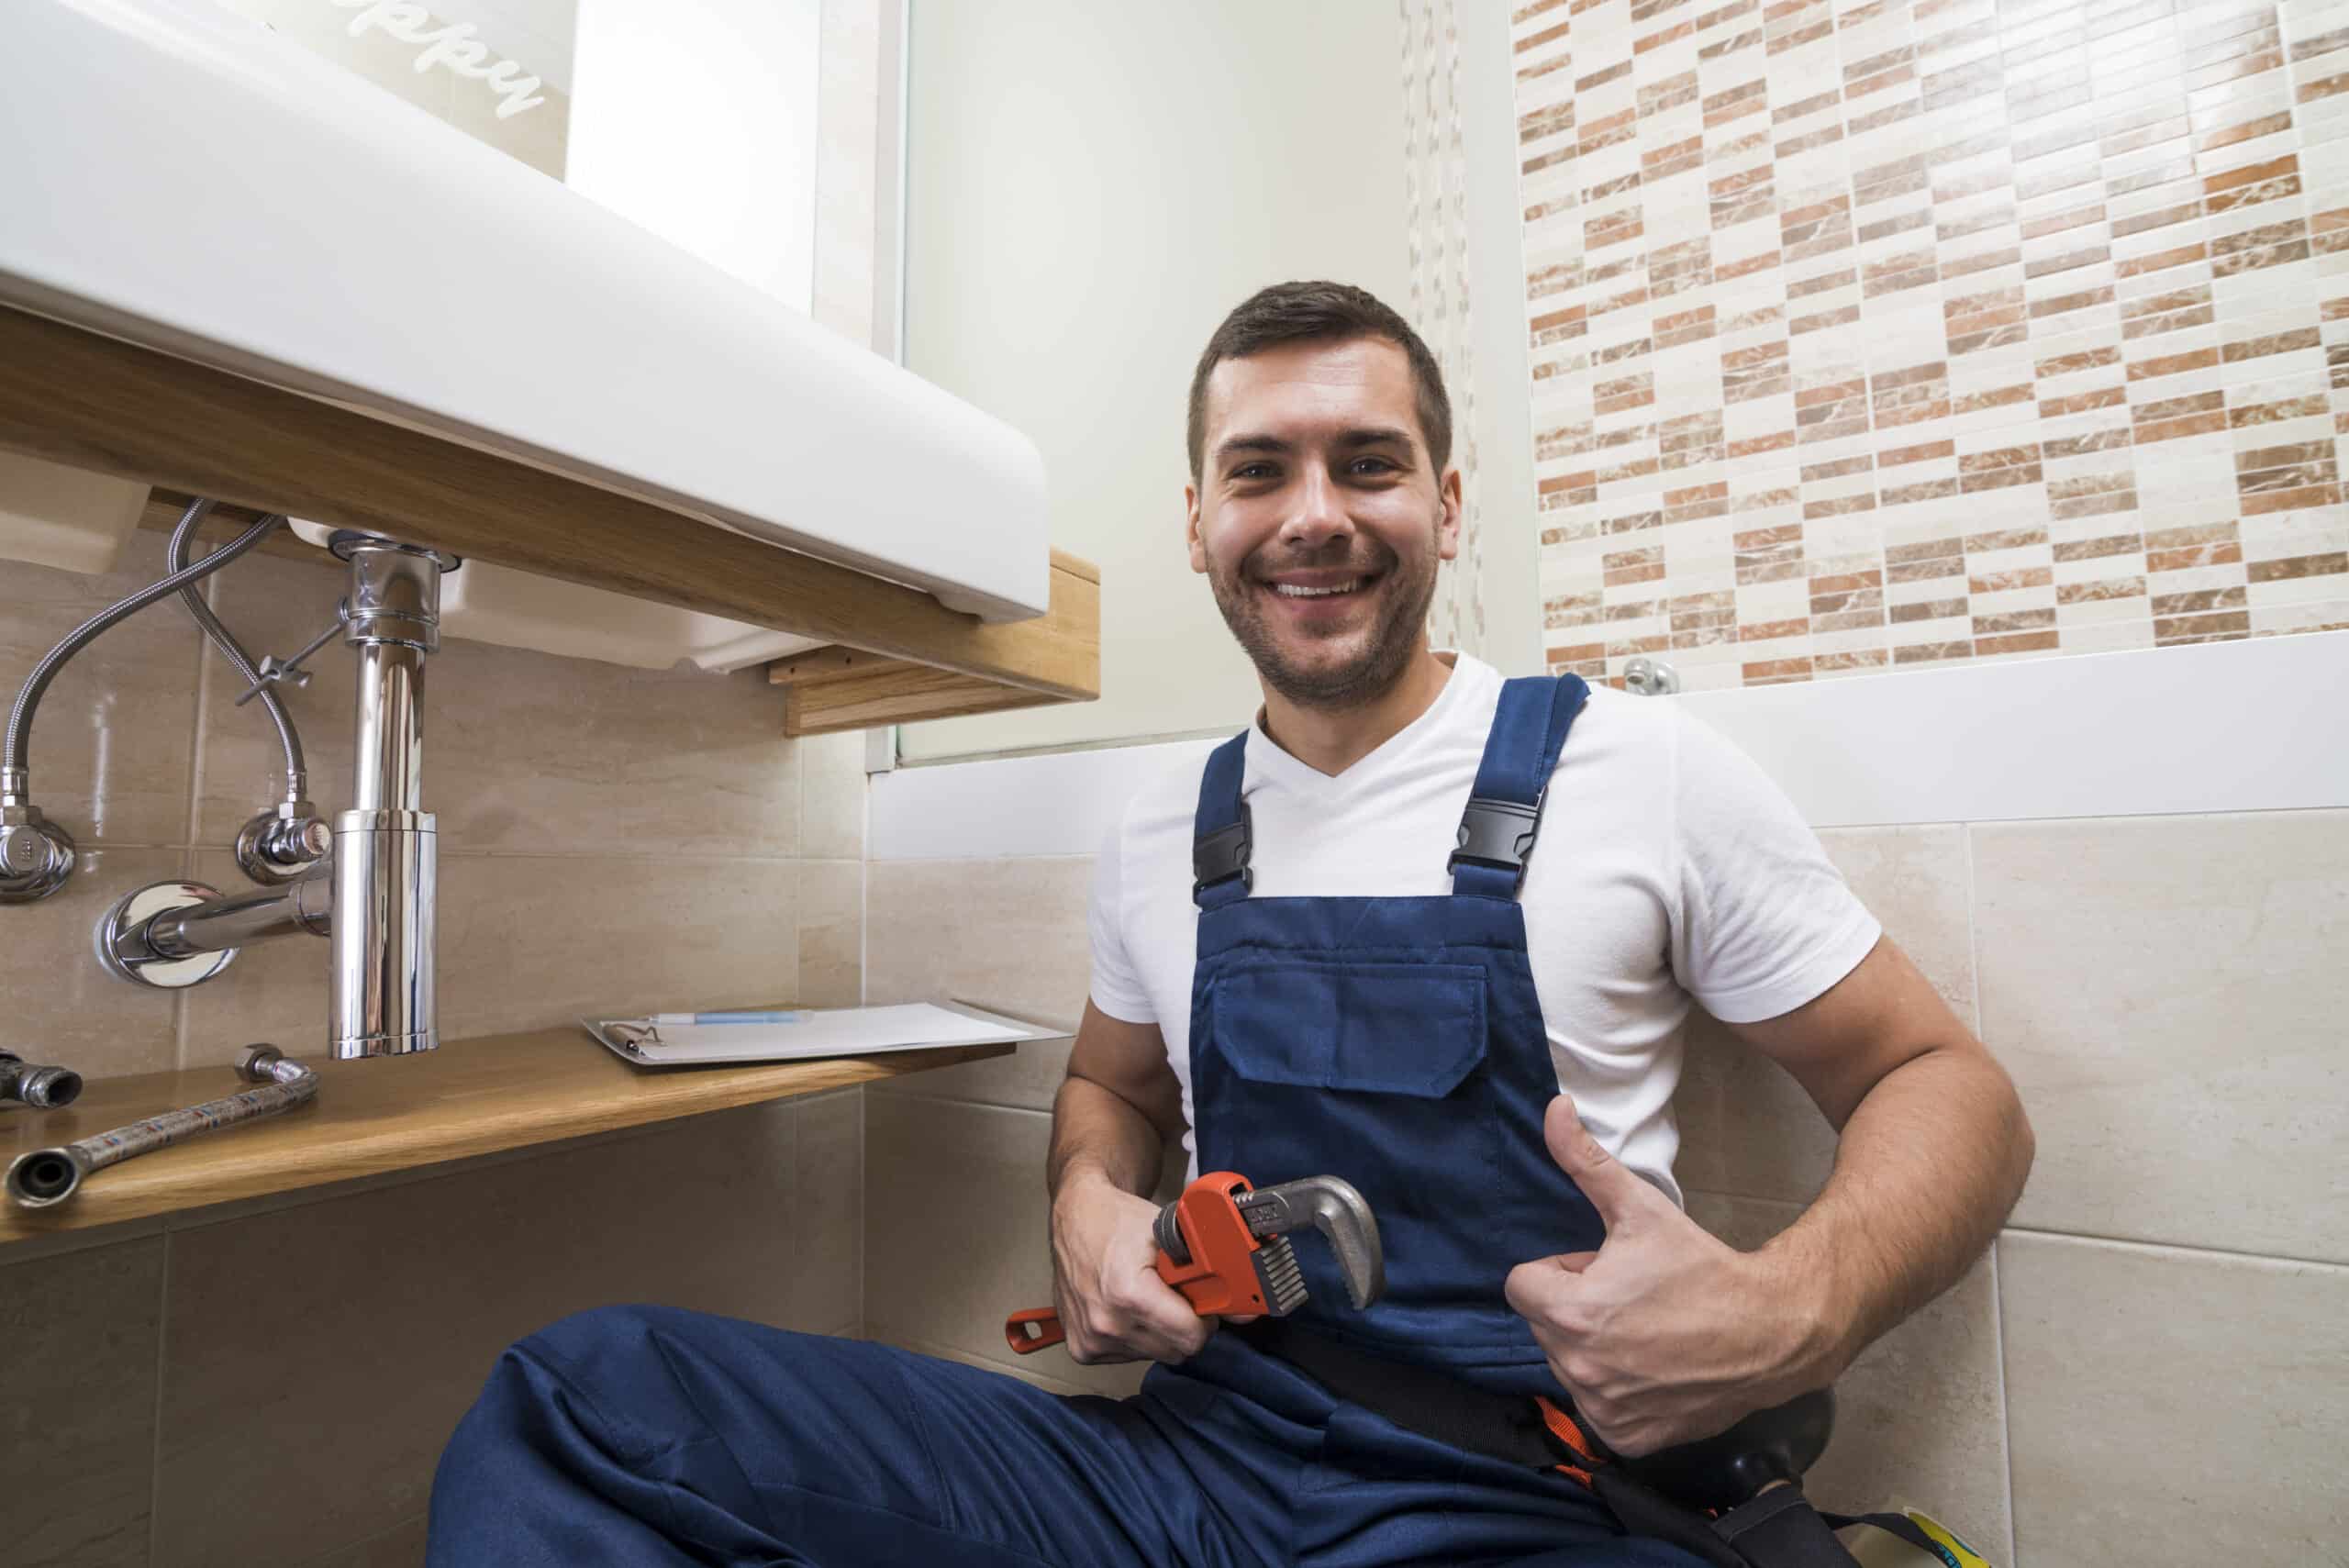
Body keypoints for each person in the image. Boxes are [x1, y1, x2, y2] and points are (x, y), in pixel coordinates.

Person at [426, 281, 2034, 1567]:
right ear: (1199, 518)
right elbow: (1111, 1090)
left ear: (1449, 505)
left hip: (1536, 1501)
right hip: (1187, 1473)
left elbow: (1945, 1082)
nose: (1312, 513)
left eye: (1369, 462)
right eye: (1261, 470)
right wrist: (1084, 1204)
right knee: (583, 1396)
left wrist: (1794, 1305)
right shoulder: (1167, 827)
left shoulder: (1638, 769)